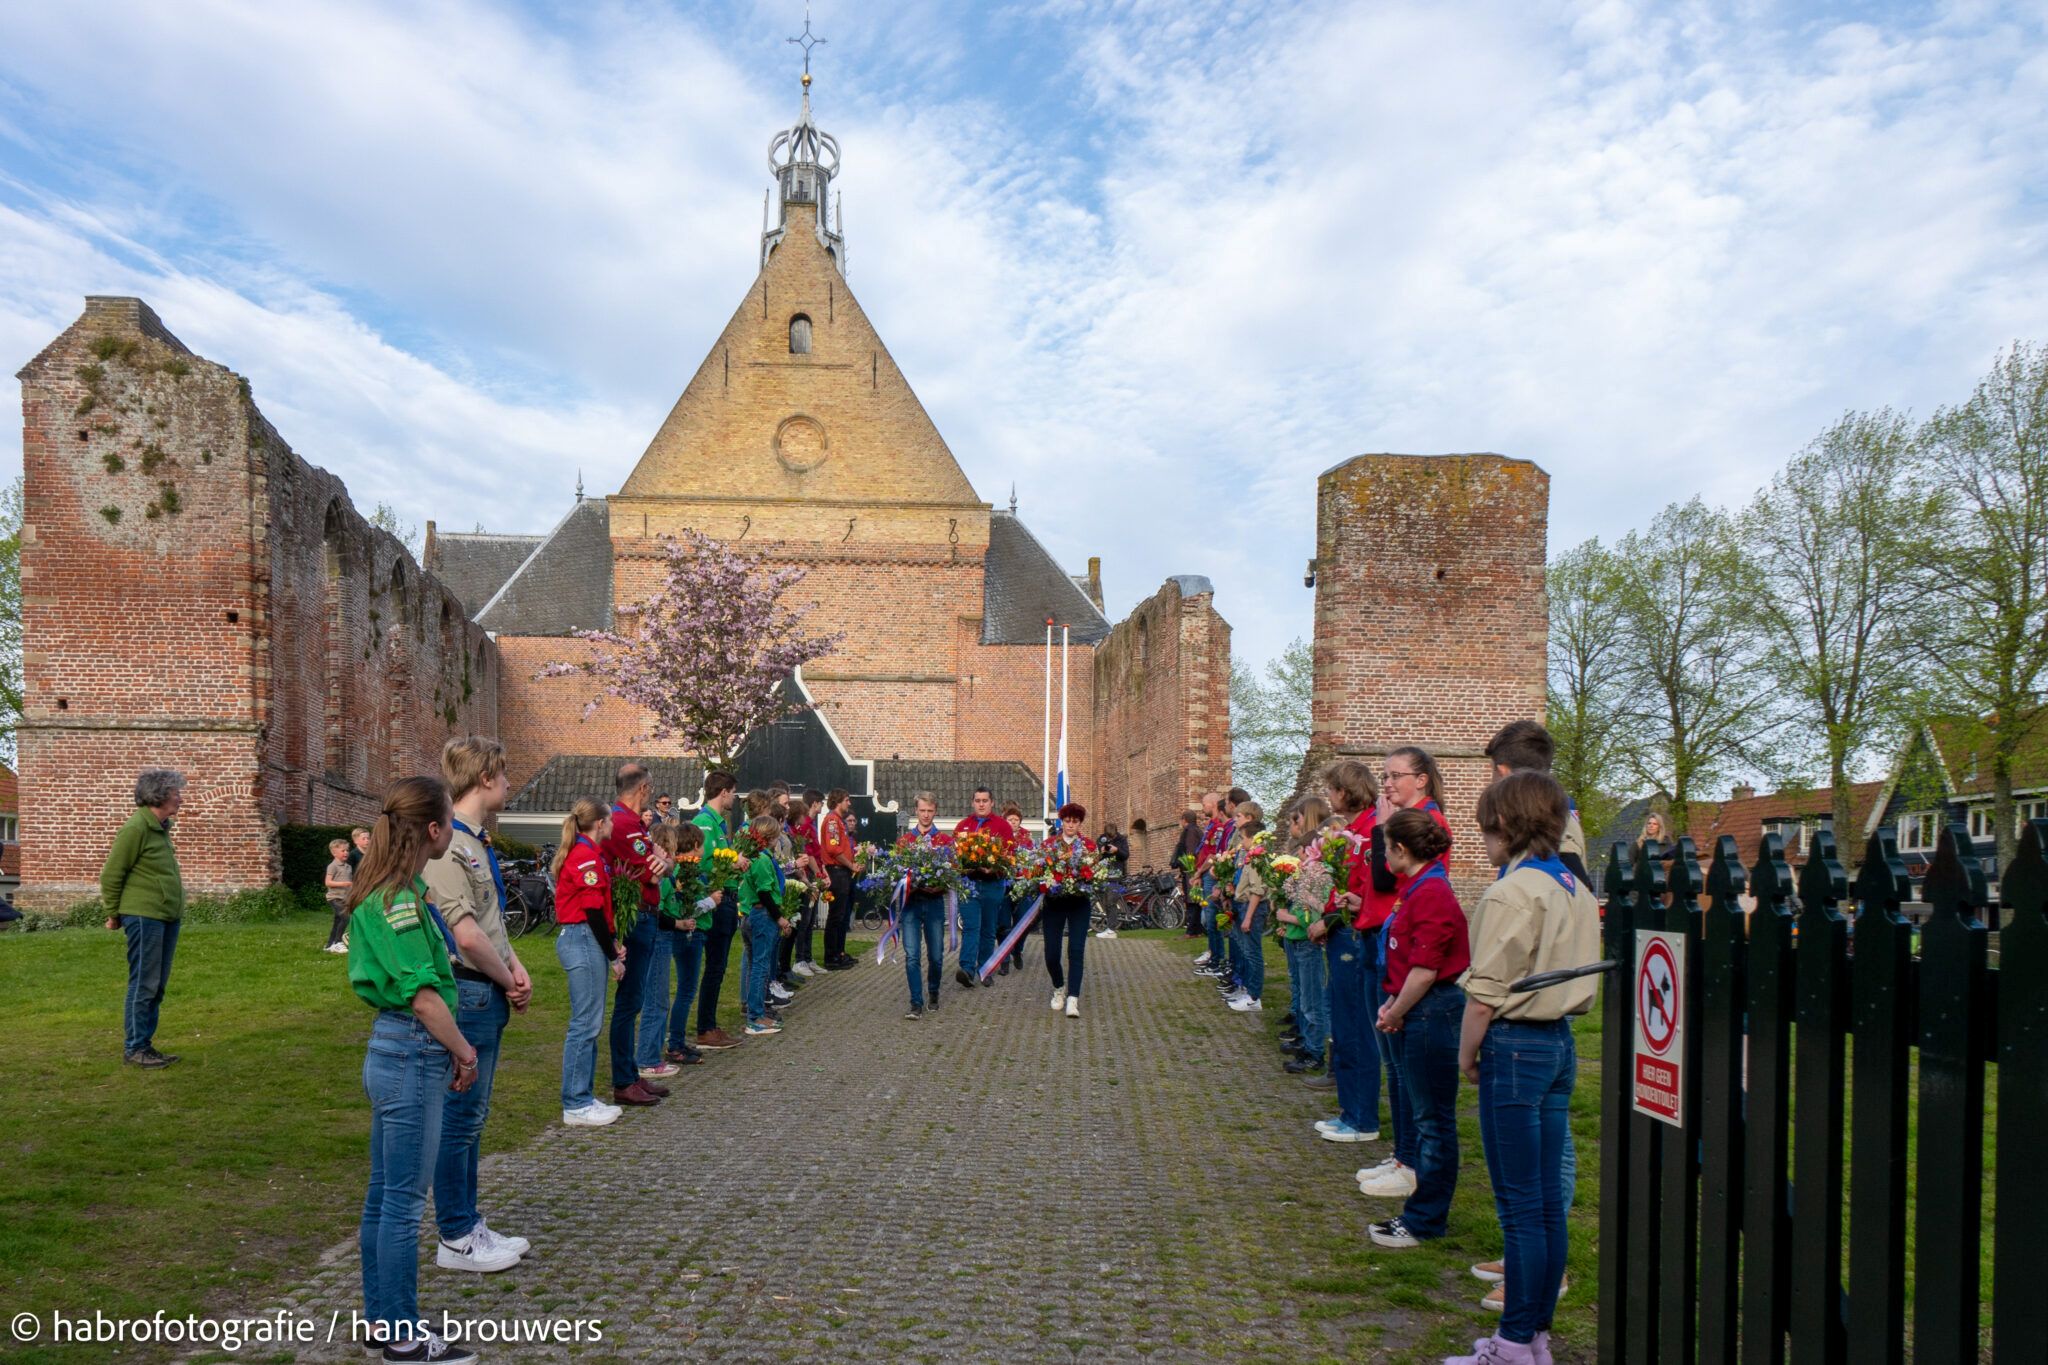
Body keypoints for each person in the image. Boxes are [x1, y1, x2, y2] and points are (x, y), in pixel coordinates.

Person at [1449, 772, 1601, 1365]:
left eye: (1487, 824)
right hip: (1560, 1044)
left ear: (1505, 825)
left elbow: (1484, 993)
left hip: (1514, 1044)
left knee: (1519, 1206)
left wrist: (1467, 1053)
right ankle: (1534, 1336)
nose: (1482, 837)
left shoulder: (1511, 892)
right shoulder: (1573, 884)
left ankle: (1512, 1343)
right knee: (1543, 1204)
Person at [344, 775, 482, 1364]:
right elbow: (422, 997)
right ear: (431, 829)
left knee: (384, 1197)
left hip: (394, 1051)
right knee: (402, 1204)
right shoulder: (397, 899)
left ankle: (383, 1321)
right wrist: (464, 1050)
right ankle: (401, 1334)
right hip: (411, 1052)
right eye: (449, 819)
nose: (452, 829)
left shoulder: (391, 889)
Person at [423, 737, 534, 1276]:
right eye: (505, 775)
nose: (509, 785)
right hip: (468, 990)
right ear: (486, 776)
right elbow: (464, 935)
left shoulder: (471, 840)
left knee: (471, 1120)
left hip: (486, 986)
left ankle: (467, 1223)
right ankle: (456, 1235)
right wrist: (505, 976)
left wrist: (515, 966)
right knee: (459, 1120)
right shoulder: (448, 847)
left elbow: (491, 921)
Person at [1366, 808, 1469, 1250]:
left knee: (1432, 1120)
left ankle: (1426, 1218)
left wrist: (1394, 1010)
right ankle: (1423, 1212)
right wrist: (1393, 1000)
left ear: (1401, 850)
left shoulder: (1430, 894)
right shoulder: (1418, 888)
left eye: (1385, 848)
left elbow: (1426, 970)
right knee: (1425, 1114)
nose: (1382, 857)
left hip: (1431, 1011)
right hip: (1414, 1006)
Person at [1359, 746, 1456, 1199]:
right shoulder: (1408, 818)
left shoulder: (1425, 824)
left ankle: (1411, 1160)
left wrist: (1381, 828)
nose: (1389, 784)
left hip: (1407, 953)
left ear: (1422, 779)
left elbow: (1382, 879)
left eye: (1397, 775)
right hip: (1391, 944)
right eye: (1385, 776)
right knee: (1396, 1068)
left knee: (1406, 1071)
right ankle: (1404, 1153)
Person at [1308, 759, 1381, 1144]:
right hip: (1340, 935)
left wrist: (1331, 920)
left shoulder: (1369, 833)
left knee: (1355, 1027)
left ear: (1345, 791)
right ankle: (1349, 1110)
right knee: (1343, 1023)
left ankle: (1362, 1116)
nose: (1330, 796)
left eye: (1332, 789)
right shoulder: (1351, 831)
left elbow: (1363, 892)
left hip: (1353, 936)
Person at [102, 768, 188, 1068]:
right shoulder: (136, 828)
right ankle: (135, 1048)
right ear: (161, 795)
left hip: (165, 915)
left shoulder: (160, 827)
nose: (180, 797)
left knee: (157, 984)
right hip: (143, 915)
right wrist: (113, 913)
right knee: (144, 983)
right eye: (176, 792)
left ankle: (145, 1046)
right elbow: (112, 873)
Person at [552, 799, 624, 1128]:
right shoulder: (585, 856)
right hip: (582, 938)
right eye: (609, 821)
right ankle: (576, 1102)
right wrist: (611, 954)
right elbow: (592, 909)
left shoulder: (588, 854)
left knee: (590, 1022)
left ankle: (583, 1095)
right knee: (585, 1023)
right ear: (599, 824)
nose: (611, 826)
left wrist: (611, 942)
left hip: (586, 937)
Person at [603, 763, 672, 1108]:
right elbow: (654, 873)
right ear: (644, 789)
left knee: (634, 1000)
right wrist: (662, 863)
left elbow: (662, 864)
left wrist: (663, 863)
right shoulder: (626, 826)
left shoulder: (630, 824)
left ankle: (629, 1073)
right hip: (636, 918)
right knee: (629, 1003)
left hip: (645, 916)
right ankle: (623, 1079)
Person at [1276, 796, 1336, 1075]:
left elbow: (1313, 910)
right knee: (1305, 996)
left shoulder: (1319, 875)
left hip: (1307, 941)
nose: (1300, 858)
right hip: (1298, 938)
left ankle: (1315, 1051)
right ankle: (1309, 1043)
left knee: (1313, 1001)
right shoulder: (1307, 875)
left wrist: (1290, 919)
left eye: (1303, 853)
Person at [646, 821, 712, 1068]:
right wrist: (710, 903)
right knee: (681, 991)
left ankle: (676, 1041)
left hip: (680, 931)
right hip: (679, 933)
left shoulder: (676, 872)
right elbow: (672, 907)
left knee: (679, 991)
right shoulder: (674, 875)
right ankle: (672, 1044)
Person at [691, 772, 746, 1050]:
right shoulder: (704, 823)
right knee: (714, 966)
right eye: (733, 792)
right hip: (717, 899)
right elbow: (701, 863)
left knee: (719, 966)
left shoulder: (718, 823)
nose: (734, 798)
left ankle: (710, 1024)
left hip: (725, 898)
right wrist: (733, 863)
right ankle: (705, 1028)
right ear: (723, 792)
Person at [954, 786, 1015, 984]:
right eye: (978, 800)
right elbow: (954, 857)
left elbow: (1010, 856)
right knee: (971, 927)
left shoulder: (1003, 826)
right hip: (969, 884)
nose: (981, 804)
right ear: (973, 802)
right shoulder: (962, 826)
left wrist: (995, 869)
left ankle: (985, 969)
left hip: (992, 884)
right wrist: (962, 868)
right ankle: (967, 969)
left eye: (985, 800)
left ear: (992, 803)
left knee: (988, 929)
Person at [1040, 802, 1096, 1018]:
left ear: (1080, 823)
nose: (1071, 825)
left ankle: (1073, 998)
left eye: (1075, 821)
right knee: (1051, 954)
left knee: (1076, 950)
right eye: (1067, 821)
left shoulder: (1088, 846)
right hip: (1054, 903)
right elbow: (1038, 871)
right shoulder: (1049, 846)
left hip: (1078, 903)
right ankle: (1059, 987)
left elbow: (1095, 873)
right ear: (1061, 822)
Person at [898, 793, 950, 1020]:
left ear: (935, 811)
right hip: (911, 904)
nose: (926, 815)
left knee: (936, 955)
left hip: (934, 903)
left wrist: (940, 887)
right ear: (916, 811)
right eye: (922, 811)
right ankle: (916, 1002)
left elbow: (952, 876)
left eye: (930, 811)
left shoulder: (945, 842)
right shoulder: (904, 842)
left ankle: (934, 991)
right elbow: (897, 875)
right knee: (911, 955)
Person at [737, 813, 789, 1036]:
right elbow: (765, 892)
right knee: (760, 967)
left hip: (750, 914)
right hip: (762, 915)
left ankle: (755, 1011)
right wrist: (779, 917)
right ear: (770, 837)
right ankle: (755, 1016)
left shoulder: (752, 857)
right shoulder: (763, 859)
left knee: (754, 965)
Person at [1223, 803, 1268, 1013]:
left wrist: (1248, 917)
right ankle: (1248, 990)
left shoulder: (1258, 857)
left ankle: (1254, 996)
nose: (1241, 842)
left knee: (1252, 954)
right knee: (1245, 950)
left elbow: (1257, 889)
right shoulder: (1249, 856)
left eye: (1243, 838)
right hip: (1242, 904)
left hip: (1251, 909)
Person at [819, 789, 859, 969]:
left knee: (841, 915)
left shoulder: (838, 822)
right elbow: (834, 849)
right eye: (847, 800)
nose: (849, 803)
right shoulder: (833, 822)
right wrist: (851, 865)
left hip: (842, 871)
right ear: (838, 801)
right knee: (836, 916)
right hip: (837, 871)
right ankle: (831, 956)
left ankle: (838, 952)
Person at [1173, 809, 1203, 935]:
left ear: (1184, 819)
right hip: (1190, 869)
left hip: (1191, 870)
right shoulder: (1197, 830)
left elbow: (1190, 851)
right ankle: (1197, 930)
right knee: (1194, 900)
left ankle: (1192, 931)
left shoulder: (1190, 831)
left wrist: (1189, 868)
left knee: (1192, 900)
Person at [324, 837, 355, 954]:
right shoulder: (333, 866)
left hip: (344, 898)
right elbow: (328, 882)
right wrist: (343, 883)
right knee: (346, 918)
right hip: (334, 898)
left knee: (338, 921)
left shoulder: (348, 867)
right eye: (343, 851)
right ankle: (337, 942)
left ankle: (329, 945)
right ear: (334, 853)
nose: (346, 852)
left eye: (347, 850)